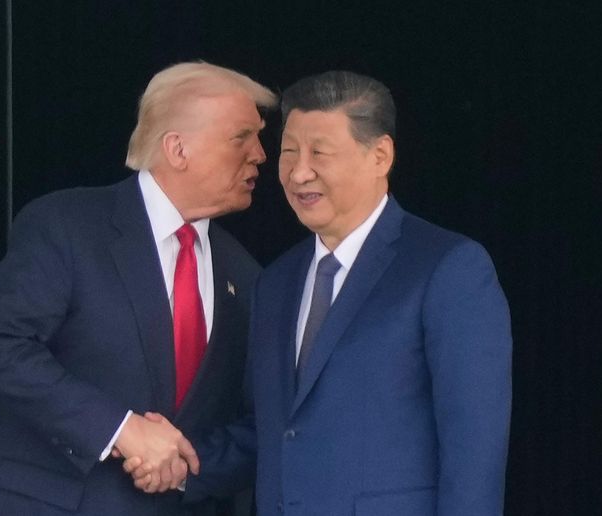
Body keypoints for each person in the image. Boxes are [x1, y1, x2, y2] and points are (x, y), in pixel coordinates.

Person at [129, 70, 512, 515]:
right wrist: (179, 466)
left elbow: (474, 451)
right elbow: (270, 432)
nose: (298, 171)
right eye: (288, 152)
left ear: (380, 156)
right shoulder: (273, 283)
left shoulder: (447, 268)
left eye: (319, 152)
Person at [0, 61, 277, 515]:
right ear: (177, 149)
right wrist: (119, 429)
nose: (260, 153)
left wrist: (184, 470)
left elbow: (257, 421)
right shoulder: (67, 225)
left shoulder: (246, 274)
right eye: (242, 136)